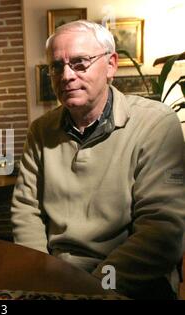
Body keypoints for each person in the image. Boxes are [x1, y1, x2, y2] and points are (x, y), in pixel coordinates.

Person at [11, 20, 184, 299]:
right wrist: (42, 279)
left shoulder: (156, 124)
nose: (66, 75)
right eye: (57, 66)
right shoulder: (41, 130)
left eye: (80, 62)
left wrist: (94, 288)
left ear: (111, 65)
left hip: (129, 280)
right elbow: (25, 211)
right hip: (56, 275)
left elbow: (162, 232)